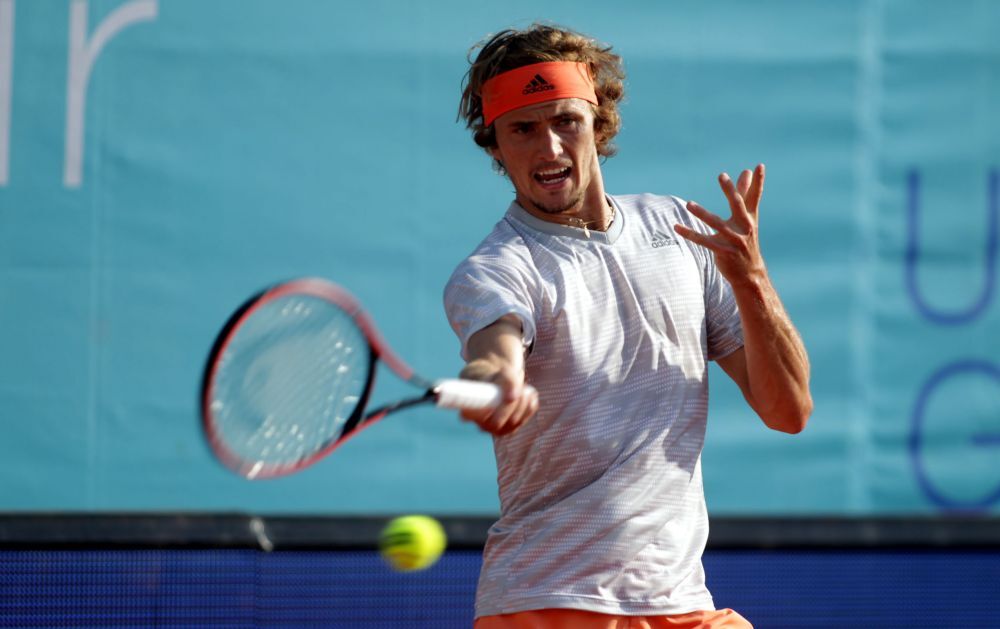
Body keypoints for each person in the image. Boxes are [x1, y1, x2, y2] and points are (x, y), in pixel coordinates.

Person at [443, 23, 812, 629]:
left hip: (681, 601)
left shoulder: (680, 232)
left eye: (566, 120)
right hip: (550, 603)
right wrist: (498, 378)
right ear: (496, 146)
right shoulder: (496, 269)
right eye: (522, 129)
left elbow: (788, 411)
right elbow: (495, 346)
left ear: (599, 122)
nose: (549, 148)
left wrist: (752, 280)